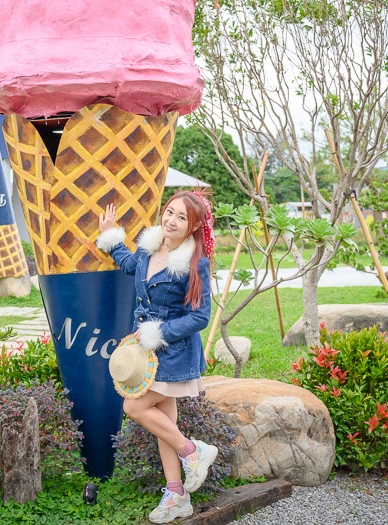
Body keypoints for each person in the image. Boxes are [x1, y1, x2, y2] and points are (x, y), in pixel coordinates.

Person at [96, 190, 219, 524]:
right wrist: (111, 235)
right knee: (165, 426)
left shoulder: (196, 263)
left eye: (182, 218)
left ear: (193, 227)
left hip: (173, 353)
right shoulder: (150, 247)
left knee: (133, 406)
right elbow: (129, 265)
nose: (172, 221)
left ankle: (193, 451)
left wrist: (158, 331)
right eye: (169, 212)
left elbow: (200, 317)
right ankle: (176, 494)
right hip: (147, 355)